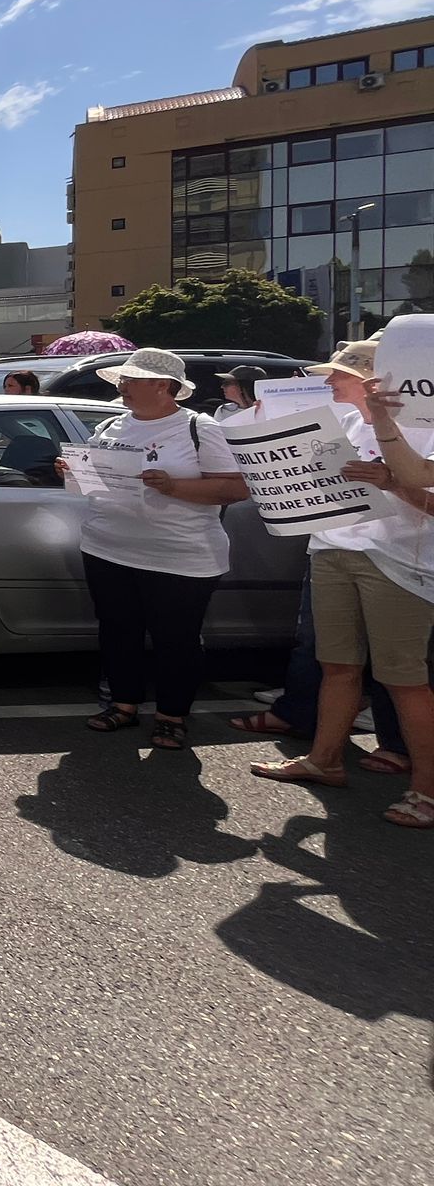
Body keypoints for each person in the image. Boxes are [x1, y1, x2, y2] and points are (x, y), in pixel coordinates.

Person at [251, 344, 434, 827]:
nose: (329, 381)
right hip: (332, 550)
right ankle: (325, 760)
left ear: (375, 379)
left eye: (339, 374)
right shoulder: (348, 422)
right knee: (336, 666)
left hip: (399, 563)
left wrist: (392, 483)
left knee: (403, 679)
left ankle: (427, 789)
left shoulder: (426, 426)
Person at [64, 348, 247, 750]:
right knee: (118, 631)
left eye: (131, 380)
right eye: (123, 380)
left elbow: (236, 488)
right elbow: (93, 483)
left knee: (176, 639)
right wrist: (75, 471)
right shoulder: (110, 425)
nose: (122, 387)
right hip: (107, 547)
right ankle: (123, 704)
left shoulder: (198, 427)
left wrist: (173, 486)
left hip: (180, 555)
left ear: (164, 386)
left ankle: (171, 716)